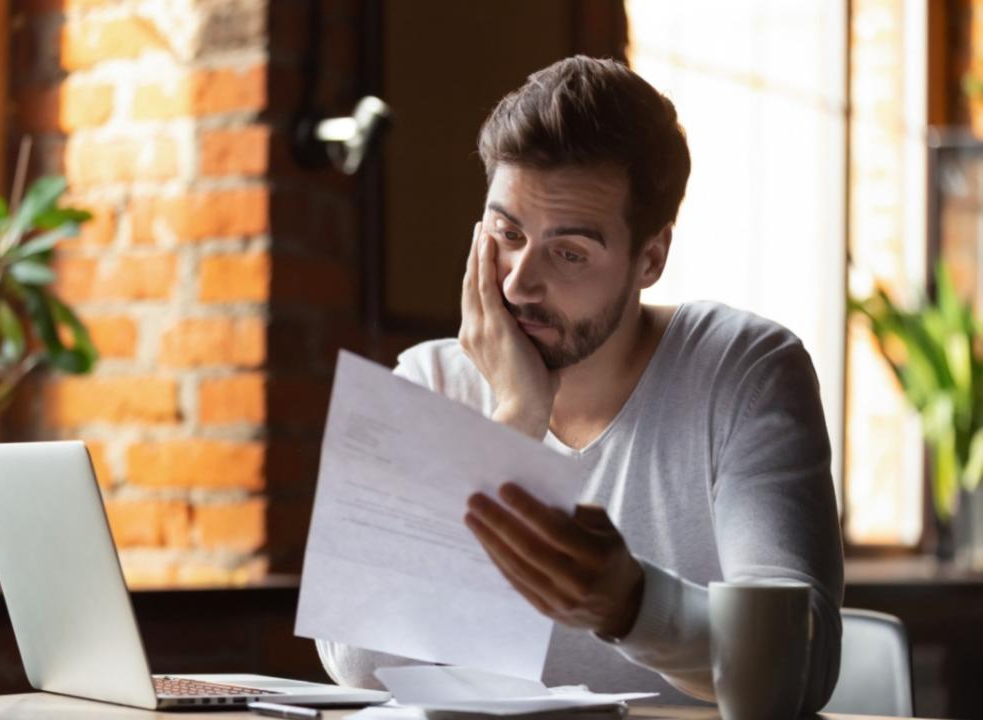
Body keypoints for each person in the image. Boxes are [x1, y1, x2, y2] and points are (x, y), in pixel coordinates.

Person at [317, 55, 843, 711]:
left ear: (650, 258)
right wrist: (512, 421)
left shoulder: (746, 370)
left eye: (568, 253)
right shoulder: (429, 379)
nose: (516, 283)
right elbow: (360, 663)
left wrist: (632, 606)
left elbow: (800, 663)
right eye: (507, 233)